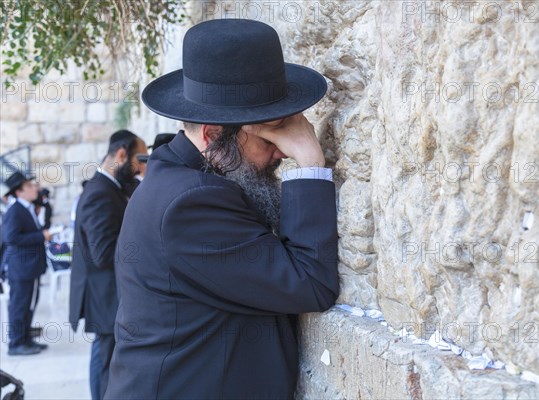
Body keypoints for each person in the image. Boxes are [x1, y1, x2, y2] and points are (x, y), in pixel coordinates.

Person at [105, 19, 338, 400]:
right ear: (213, 135)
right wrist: (310, 163)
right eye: (271, 134)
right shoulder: (190, 203)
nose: (283, 149)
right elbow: (311, 283)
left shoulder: (182, 179)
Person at [68, 130, 147, 400]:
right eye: (139, 158)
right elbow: (103, 253)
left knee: (103, 357)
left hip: (108, 292)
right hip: (104, 294)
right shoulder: (99, 193)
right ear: (121, 154)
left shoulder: (112, 187)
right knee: (105, 363)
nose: (139, 167)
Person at [2, 172, 52, 356]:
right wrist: (41, 236)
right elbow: (12, 238)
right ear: (20, 191)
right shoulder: (15, 210)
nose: (35, 189)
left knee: (29, 305)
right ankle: (15, 343)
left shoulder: (27, 207)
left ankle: (26, 339)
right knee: (19, 306)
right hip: (21, 269)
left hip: (31, 267)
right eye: (30, 186)